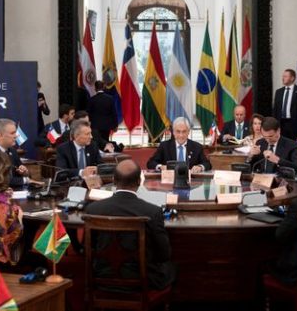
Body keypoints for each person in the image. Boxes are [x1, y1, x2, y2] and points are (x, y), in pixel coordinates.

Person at [83, 159, 176, 290]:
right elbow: (164, 254)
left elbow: (88, 247)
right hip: (142, 278)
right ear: (139, 181)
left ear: (114, 181)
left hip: (103, 275)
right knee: (171, 268)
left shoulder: (93, 209)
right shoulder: (152, 212)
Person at [146, 117, 211, 172]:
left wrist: (200, 167)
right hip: (169, 183)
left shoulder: (197, 147)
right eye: (178, 131)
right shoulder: (164, 146)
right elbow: (150, 163)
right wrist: (161, 167)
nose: (181, 135)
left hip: (191, 183)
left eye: (184, 131)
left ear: (188, 132)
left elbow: (207, 164)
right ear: (173, 132)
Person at [87, 80, 119, 145]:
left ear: (95, 88)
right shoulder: (110, 98)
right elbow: (114, 113)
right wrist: (115, 125)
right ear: (103, 87)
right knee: (105, 141)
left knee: (96, 142)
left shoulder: (92, 99)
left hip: (95, 125)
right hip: (106, 125)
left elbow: (89, 113)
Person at [273, 69, 297, 140]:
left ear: (292, 78)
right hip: (281, 123)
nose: (283, 78)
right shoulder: (278, 92)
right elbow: (275, 109)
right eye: (283, 76)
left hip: (293, 124)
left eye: (285, 76)